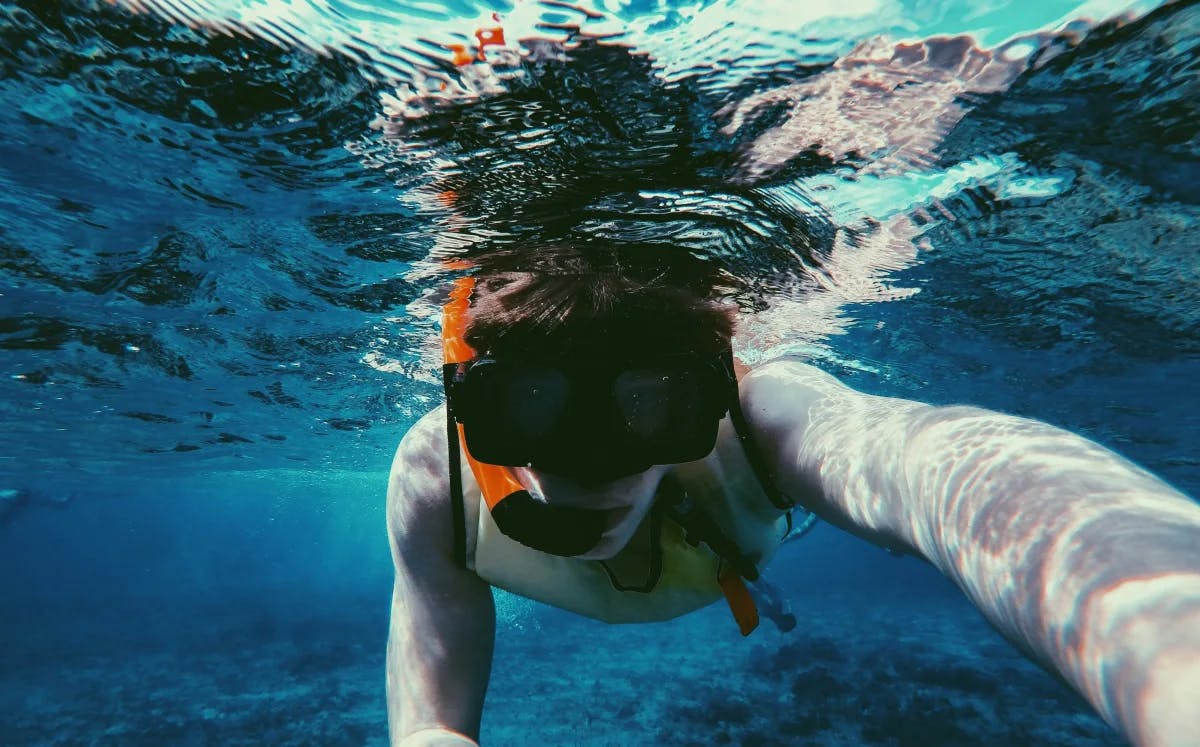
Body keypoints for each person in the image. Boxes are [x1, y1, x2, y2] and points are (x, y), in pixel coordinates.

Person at [385, 243, 1200, 747]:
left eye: (651, 406)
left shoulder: (761, 416)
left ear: (704, 395)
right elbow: (430, 722)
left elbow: (941, 466)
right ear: (473, 404)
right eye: (529, 407)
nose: (589, 464)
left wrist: (1170, 641)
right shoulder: (436, 476)